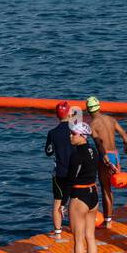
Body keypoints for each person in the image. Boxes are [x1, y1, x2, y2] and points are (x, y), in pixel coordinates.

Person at [65, 121, 100, 253]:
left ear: (82, 136)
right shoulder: (93, 150)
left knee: (78, 238)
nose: (70, 136)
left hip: (80, 196)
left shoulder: (76, 154)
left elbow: (70, 180)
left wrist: (63, 202)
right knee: (90, 236)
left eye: (73, 133)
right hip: (93, 194)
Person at [85, 96, 127, 226]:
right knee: (113, 187)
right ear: (99, 107)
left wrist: (104, 157)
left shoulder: (92, 125)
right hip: (116, 154)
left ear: (88, 111)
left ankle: (108, 221)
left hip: (105, 156)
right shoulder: (111, 119)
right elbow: (125, 136)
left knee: (106, 188)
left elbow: (98, 143)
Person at [44, 101, 74, 238]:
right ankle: (74, 228)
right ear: (69, 114)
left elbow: (48, 152)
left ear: (57, 115)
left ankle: (58, 232)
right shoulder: (75, 130)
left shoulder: (52, 133)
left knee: (57, 200)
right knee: (74, 200)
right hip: (75, 171)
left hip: (59, 172)